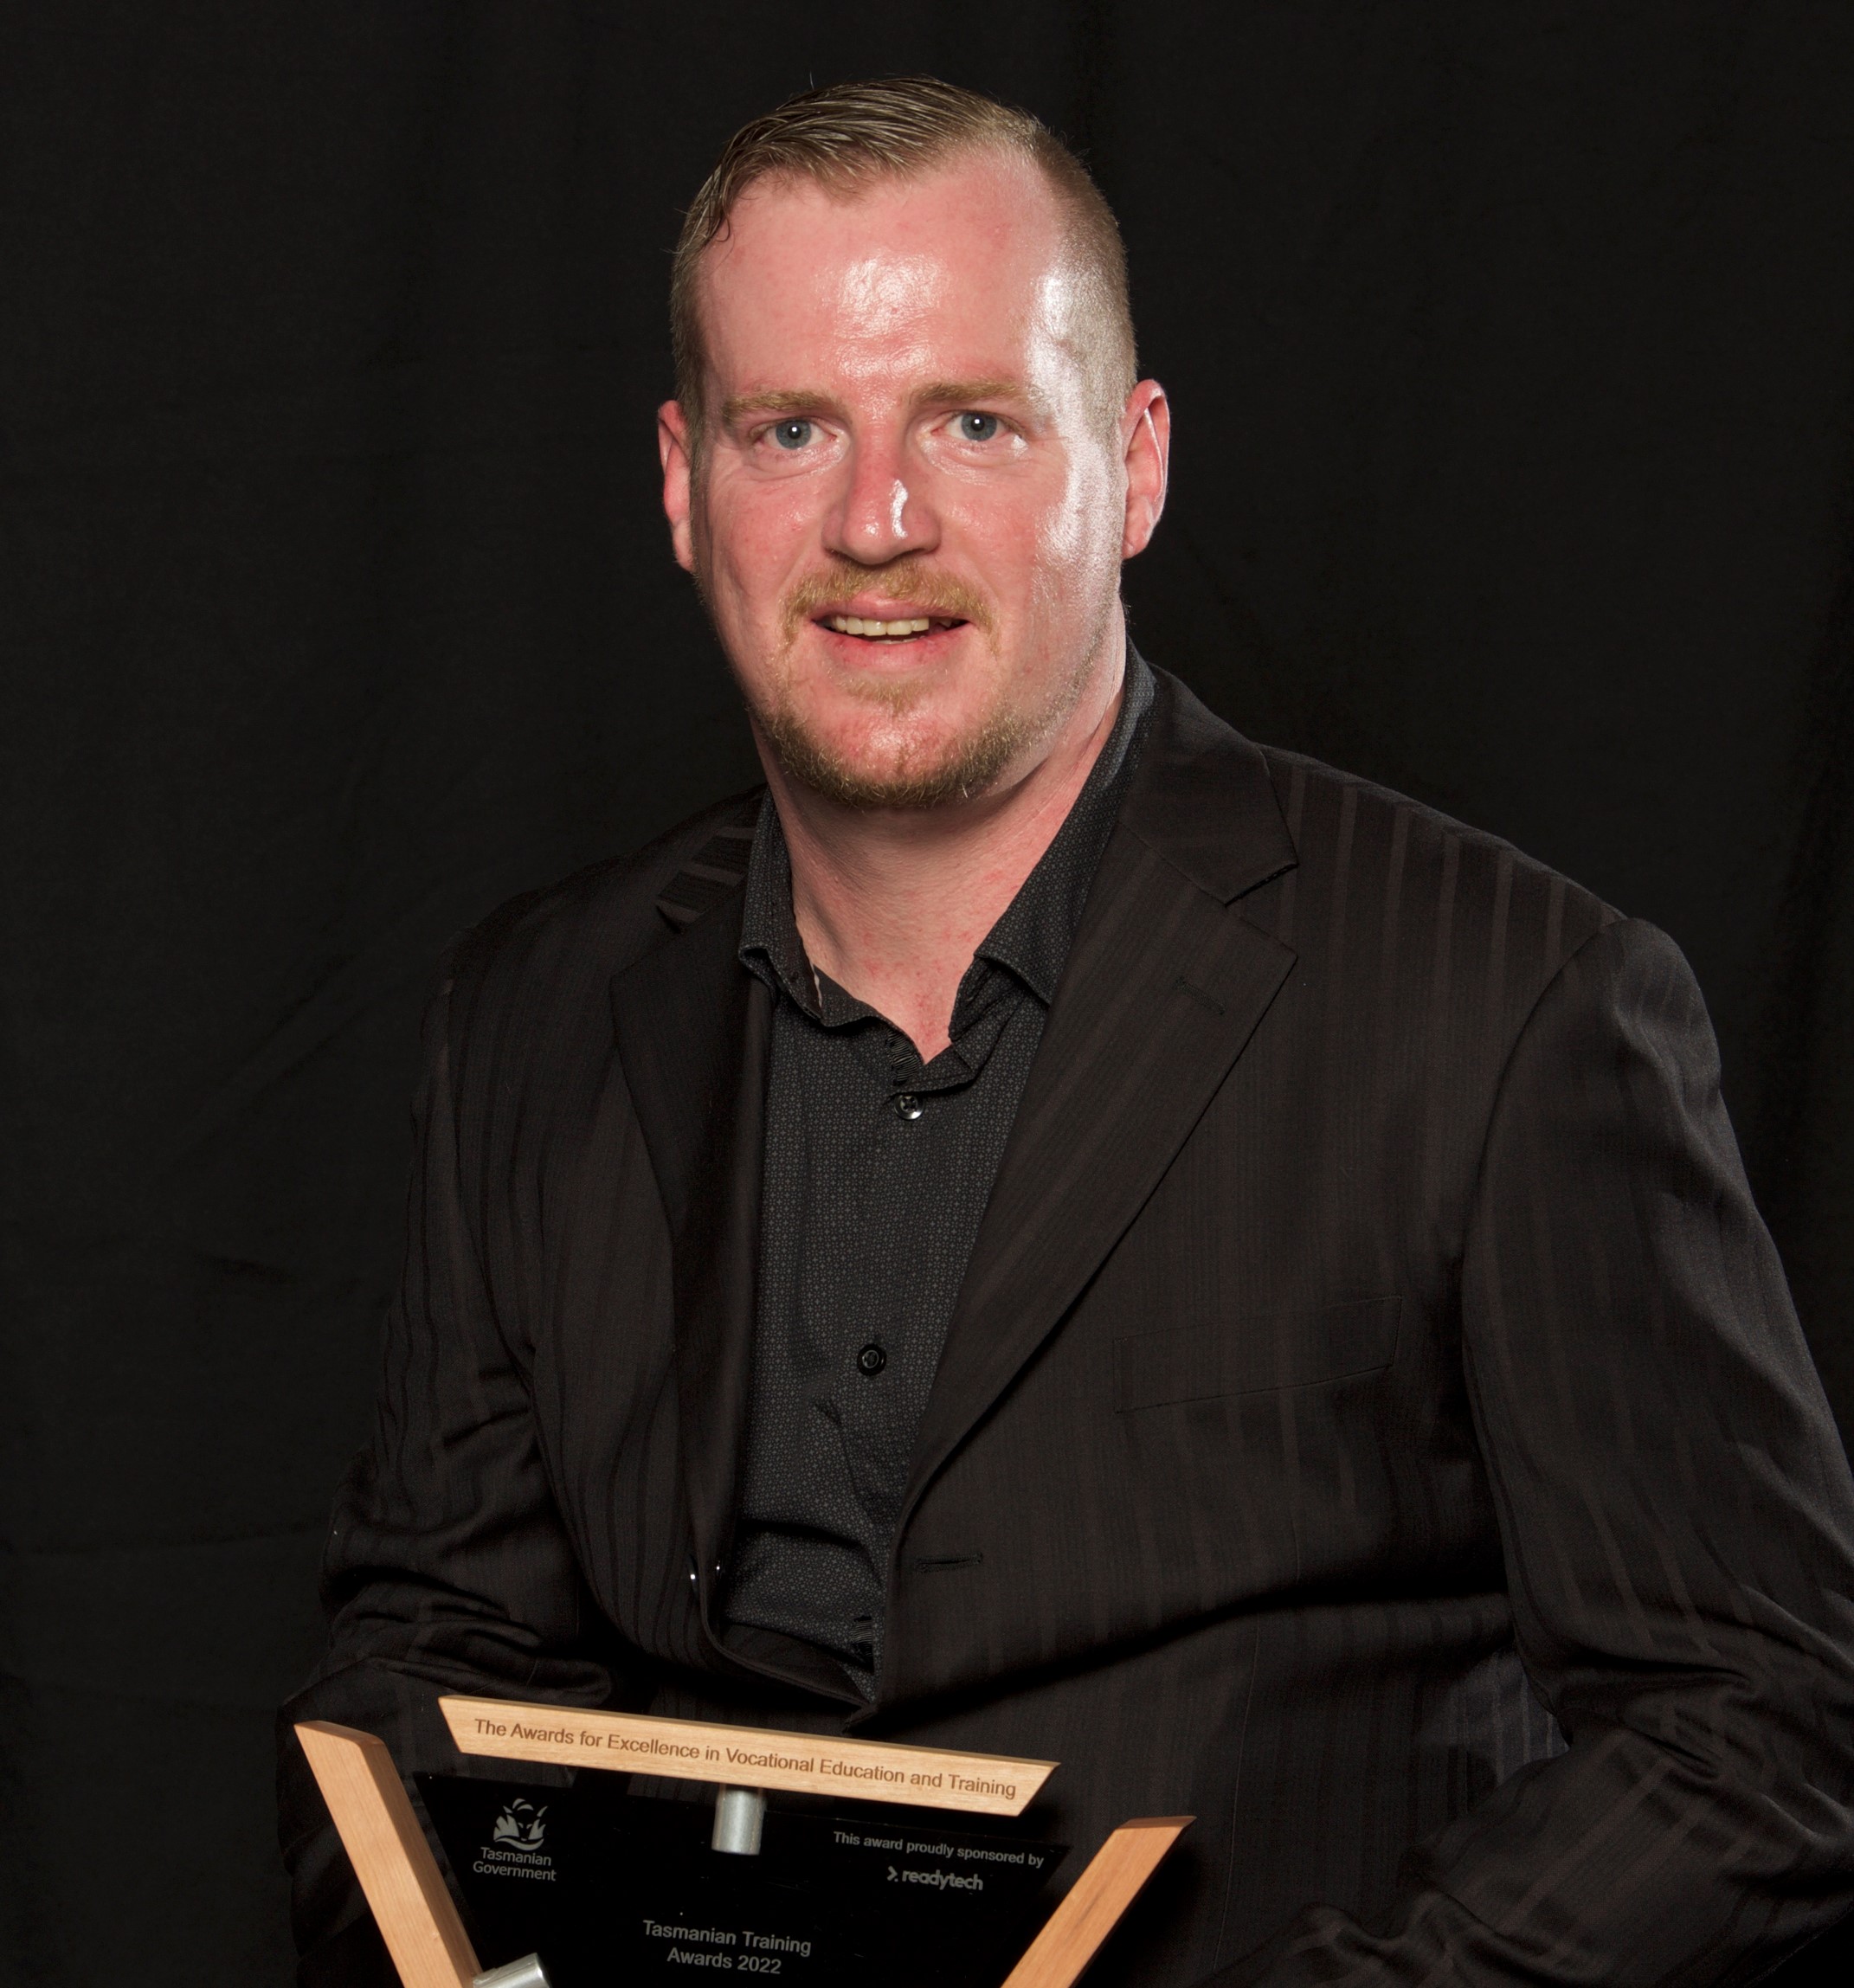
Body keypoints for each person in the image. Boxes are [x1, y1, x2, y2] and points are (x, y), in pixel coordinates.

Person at [279, 76, 1854, 1987]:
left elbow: (1764, 1731)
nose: (878, 520)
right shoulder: (534, 1013)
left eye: (973, 422)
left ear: (1137, 458)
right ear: (687, 485)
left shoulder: (1510, 1001)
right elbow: (424, 1670)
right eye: (796, 429)